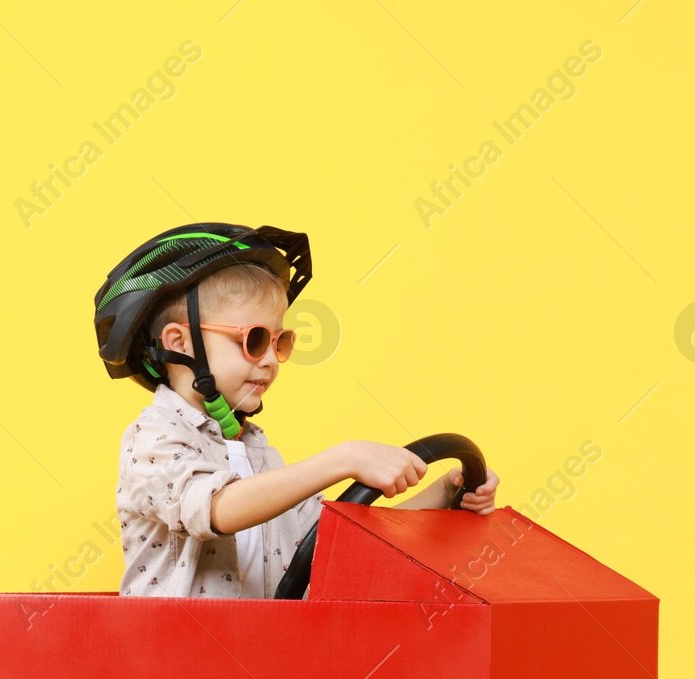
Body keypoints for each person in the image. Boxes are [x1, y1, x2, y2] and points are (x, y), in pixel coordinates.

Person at [93, 222, 499, 597]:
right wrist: (345, 458)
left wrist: (445, 492)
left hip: (261, 662)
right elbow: (217, 508)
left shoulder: (262, 458)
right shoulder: (153, 439)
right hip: (173, 666)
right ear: (180, 343)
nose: (270, 359)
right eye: (254, 340)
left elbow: (339, 546)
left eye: (279, 341)